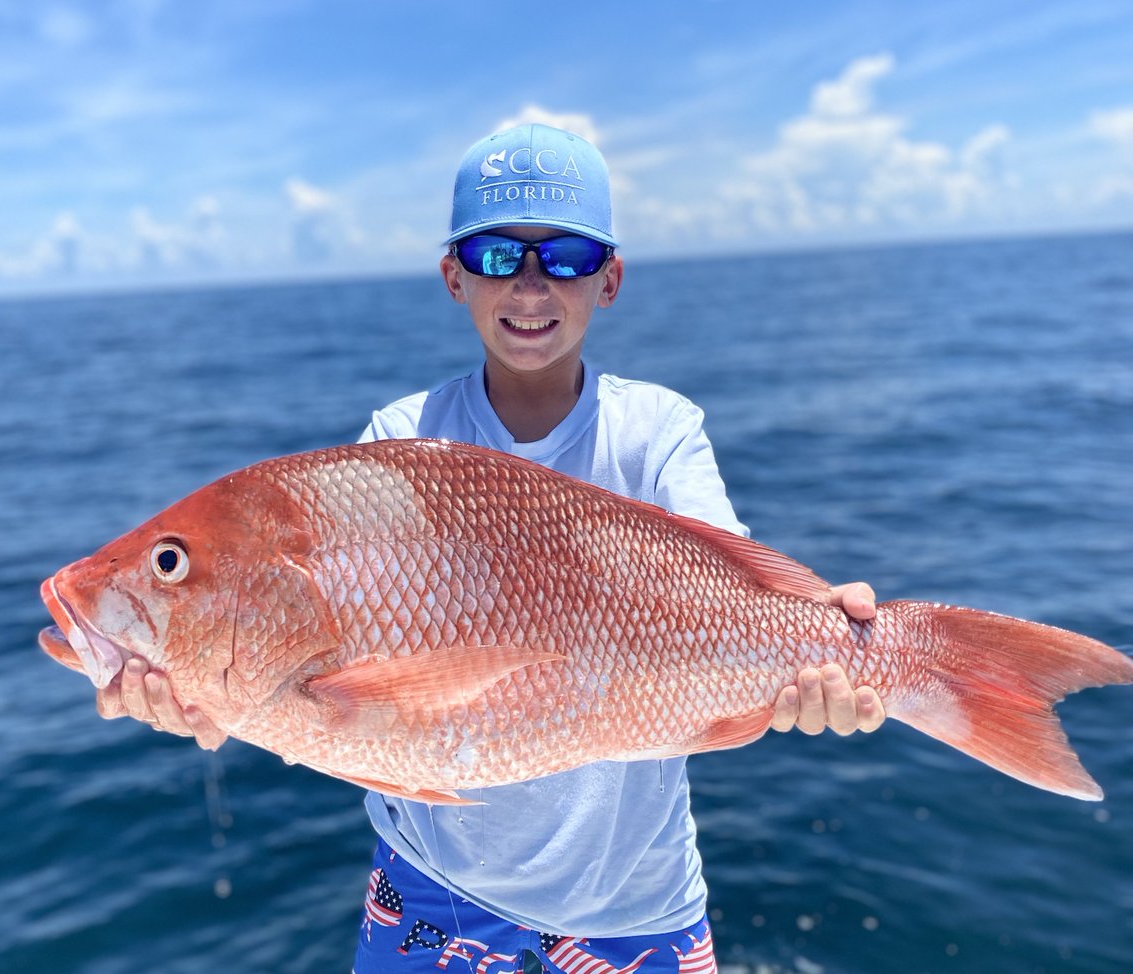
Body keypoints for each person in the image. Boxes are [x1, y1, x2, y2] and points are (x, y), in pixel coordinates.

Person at [99, 124, 885, 973]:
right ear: (454, 276)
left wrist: (813, 652)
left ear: (610, 279)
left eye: (569, 257)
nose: (532, 286)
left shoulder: (658, 432)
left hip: (635, 905)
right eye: (498, 256)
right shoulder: (397, 440)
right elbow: (311, 691)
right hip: (431, 896)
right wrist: (204, 702)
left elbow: (728, 573)